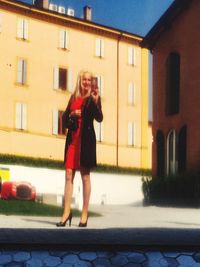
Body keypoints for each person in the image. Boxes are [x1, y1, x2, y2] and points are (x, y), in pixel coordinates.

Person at [56, 70, 103, 227]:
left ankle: (84, 213)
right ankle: (66, 212)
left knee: (85, 176)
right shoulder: (74, 97)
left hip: (86, 142)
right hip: (72, 142)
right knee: (68, 175)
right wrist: (73, 115)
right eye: (84, 79)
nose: (87, 82)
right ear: (80, 81)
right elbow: (64, 118)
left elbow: (99, 118)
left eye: (89, 80)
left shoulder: (93, 97)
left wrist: (96, 102)